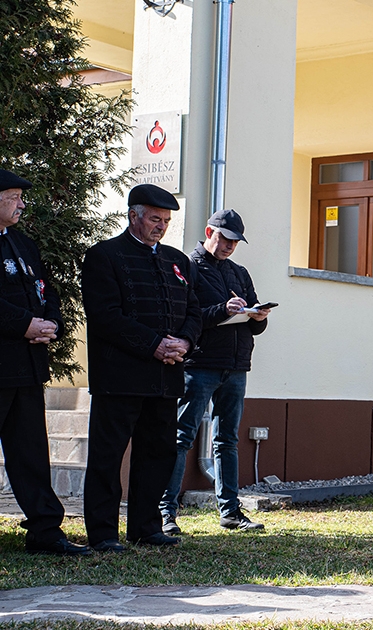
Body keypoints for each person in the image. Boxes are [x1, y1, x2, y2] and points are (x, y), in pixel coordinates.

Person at [81, 183, 201, 552]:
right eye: (154, 219)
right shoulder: (104, 255)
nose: (160, 226)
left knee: (157, 454)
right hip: (119, 378)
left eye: (165, 221)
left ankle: (146, 527)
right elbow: (104, 316)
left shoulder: (178, 260)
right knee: (107, 456)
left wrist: (184, 342)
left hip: (165, 378)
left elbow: (194, 310)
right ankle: (102, 533)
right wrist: (154, 345)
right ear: (133, 216)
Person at [160, 209, 270, 535]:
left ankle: (231, 513)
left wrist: (258, 317)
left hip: (236, 367)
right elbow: (185, 317)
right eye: (225, 239)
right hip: (200, 366)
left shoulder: (240, 273)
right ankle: (166, 512)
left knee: (227, 441)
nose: (230, 247)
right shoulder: (188, 268)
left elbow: (253, 325)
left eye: (235, 242)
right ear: (210, 231)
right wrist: (222, 310)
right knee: (181, 437)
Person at [0, 169, 90, 556]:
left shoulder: (24, 244)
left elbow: (45, 289)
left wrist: (51, 321)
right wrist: (24, 324)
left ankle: (44, 530)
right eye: (15, 196)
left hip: (27, 368)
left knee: (31, 454)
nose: (22, 203)